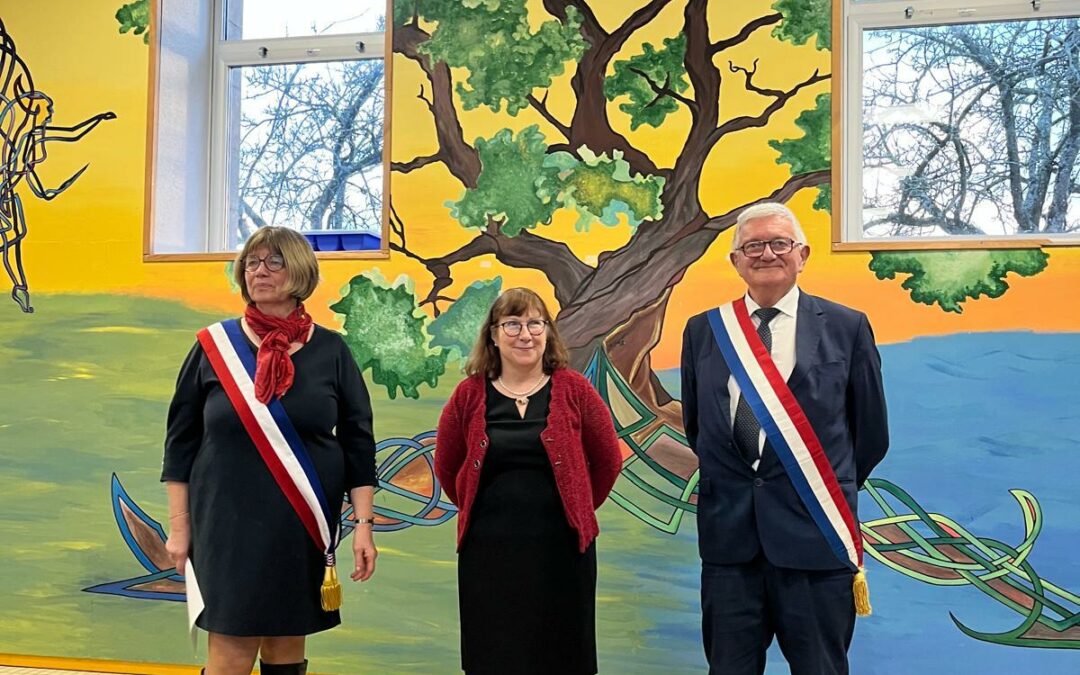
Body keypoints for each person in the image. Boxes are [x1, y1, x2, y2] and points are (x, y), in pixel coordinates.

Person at [680, 202, 889, 675]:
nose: (766, 254)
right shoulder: (704, 331)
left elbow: (870, 434)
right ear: (736, 261)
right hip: (730, 545)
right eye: (753, 246)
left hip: (815, 536)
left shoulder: (847, 327)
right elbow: (699, 428)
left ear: (802, 255)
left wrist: (814, 485)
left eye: (779, 243)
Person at [161, 226, 378, 675]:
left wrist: (363, 526)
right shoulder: (212, 347)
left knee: (285, 647)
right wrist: (179, 529)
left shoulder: (332, 350)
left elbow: (358, 443)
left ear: (299, 271)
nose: (259, 271)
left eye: (273, 261)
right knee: (231, 651)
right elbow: (180, 445)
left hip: (299, 522)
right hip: (225, 525)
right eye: (252, 263)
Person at [434, 287, 623, 675]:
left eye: (535, 323)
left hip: (563, 551)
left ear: (548, 332)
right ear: (493, 334)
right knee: (494, 656)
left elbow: (608, 461)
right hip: (488, 554)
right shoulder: (468, 395)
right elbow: (447, 467)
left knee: (563, 656)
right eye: (513, 324)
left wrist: (577, 505)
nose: (525, 334)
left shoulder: (575, 389)